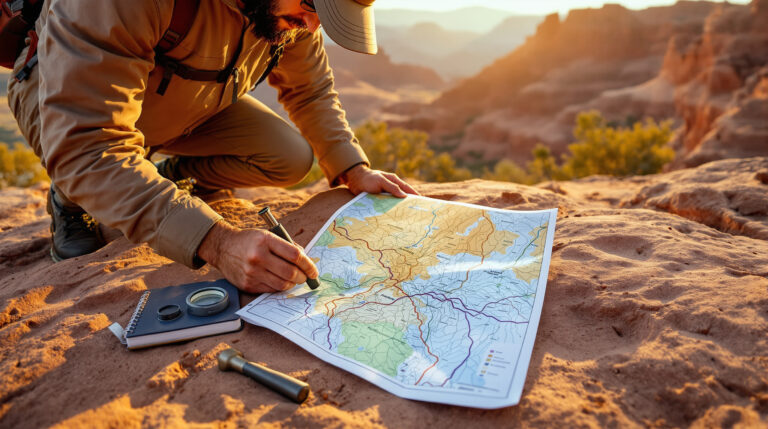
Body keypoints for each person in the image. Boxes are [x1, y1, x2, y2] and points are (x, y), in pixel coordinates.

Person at [6, 0, 417, 293]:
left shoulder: (290, 13)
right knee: (95, 161)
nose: (312, 27)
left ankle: (168, 175)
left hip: (187, 107)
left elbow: (311, 91)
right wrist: (216, 241)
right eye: (313, 6)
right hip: (66, 104)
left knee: (290, 158)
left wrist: (353, 168)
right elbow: (87, 145)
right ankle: (72, 198)